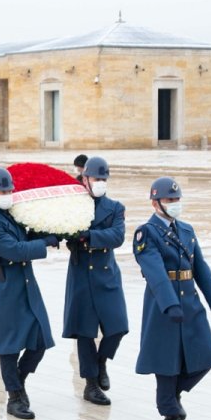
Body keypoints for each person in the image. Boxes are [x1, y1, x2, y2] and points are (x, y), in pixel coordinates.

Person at [132, 177, 211, 420]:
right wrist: (170, 304)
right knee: (167, 361)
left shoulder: (186, 230)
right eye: (169, 200)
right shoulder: (146, 233)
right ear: (155, 203)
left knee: (205, 356)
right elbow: (155, 272)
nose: (174, 204)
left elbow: (200, 268)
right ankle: (170, 417)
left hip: (190, 301)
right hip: (163, 305)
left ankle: (171, 396)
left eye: (177, 199)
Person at [0, 168, 58, 419]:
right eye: (2, 191)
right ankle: (14, 397)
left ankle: (18, 382)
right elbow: (14, 250)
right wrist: (45, 243)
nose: (7, 195)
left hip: (25, 283)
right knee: (9, 346)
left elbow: (29, 233)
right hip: (6, 287)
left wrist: (53, 229)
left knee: (40, 340)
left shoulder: (13, 215)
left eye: (10, 191)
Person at [63, 156, 128, 407]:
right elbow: (64, 234)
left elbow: (117, 236)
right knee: (85, 332)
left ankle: (101, 362)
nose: (100, 182)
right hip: (81, 273)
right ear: (85, 178)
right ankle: (91, 384)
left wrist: (88, 235)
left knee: (118, 326)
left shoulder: (115, 207)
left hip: (106, 272)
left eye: (103, 178)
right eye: (95, 178)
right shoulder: (74, 205)